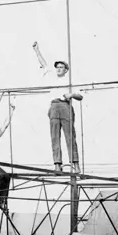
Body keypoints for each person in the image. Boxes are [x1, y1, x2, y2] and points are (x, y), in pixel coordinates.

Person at [32, 41, 83, 173]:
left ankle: (75, 164)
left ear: (66, 70)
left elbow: (80, 95)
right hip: (54, 106)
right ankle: (57, 164)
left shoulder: (70, 79)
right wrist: (37, 50)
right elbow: (43, 64)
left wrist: (71, 94)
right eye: (57, 67)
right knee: (55, 136)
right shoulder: (51, 77)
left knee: (70, 136)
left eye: (61, 67)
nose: (58, 69)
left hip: (65, 106)